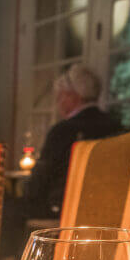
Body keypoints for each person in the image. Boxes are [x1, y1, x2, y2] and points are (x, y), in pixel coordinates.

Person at [26, 63, 122, 218]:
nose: (58, 102)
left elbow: (39, 182)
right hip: (109, 208)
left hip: (61, 210)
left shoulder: (63, 131)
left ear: (73, 96)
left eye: (60, 96)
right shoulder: (117, 127)